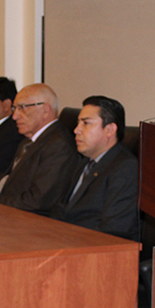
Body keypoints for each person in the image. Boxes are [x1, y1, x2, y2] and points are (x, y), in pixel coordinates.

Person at [0, 83, 78, 217]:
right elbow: (5, 178)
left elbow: (38, 201)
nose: (15, 116)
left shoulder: (59, 146)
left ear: (45, 110)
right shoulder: (27, 140)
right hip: (5, 211)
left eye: (22, 108)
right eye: (14, 108)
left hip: (28, 221)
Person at [52, 96, 139, 240]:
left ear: (109, 130)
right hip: (66, 240)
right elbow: (62, 208)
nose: (76, 130)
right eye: (78, 123)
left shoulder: (125, 167)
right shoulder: (85, 161)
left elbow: (114, 228)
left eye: (86, 123)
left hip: (95, 249)